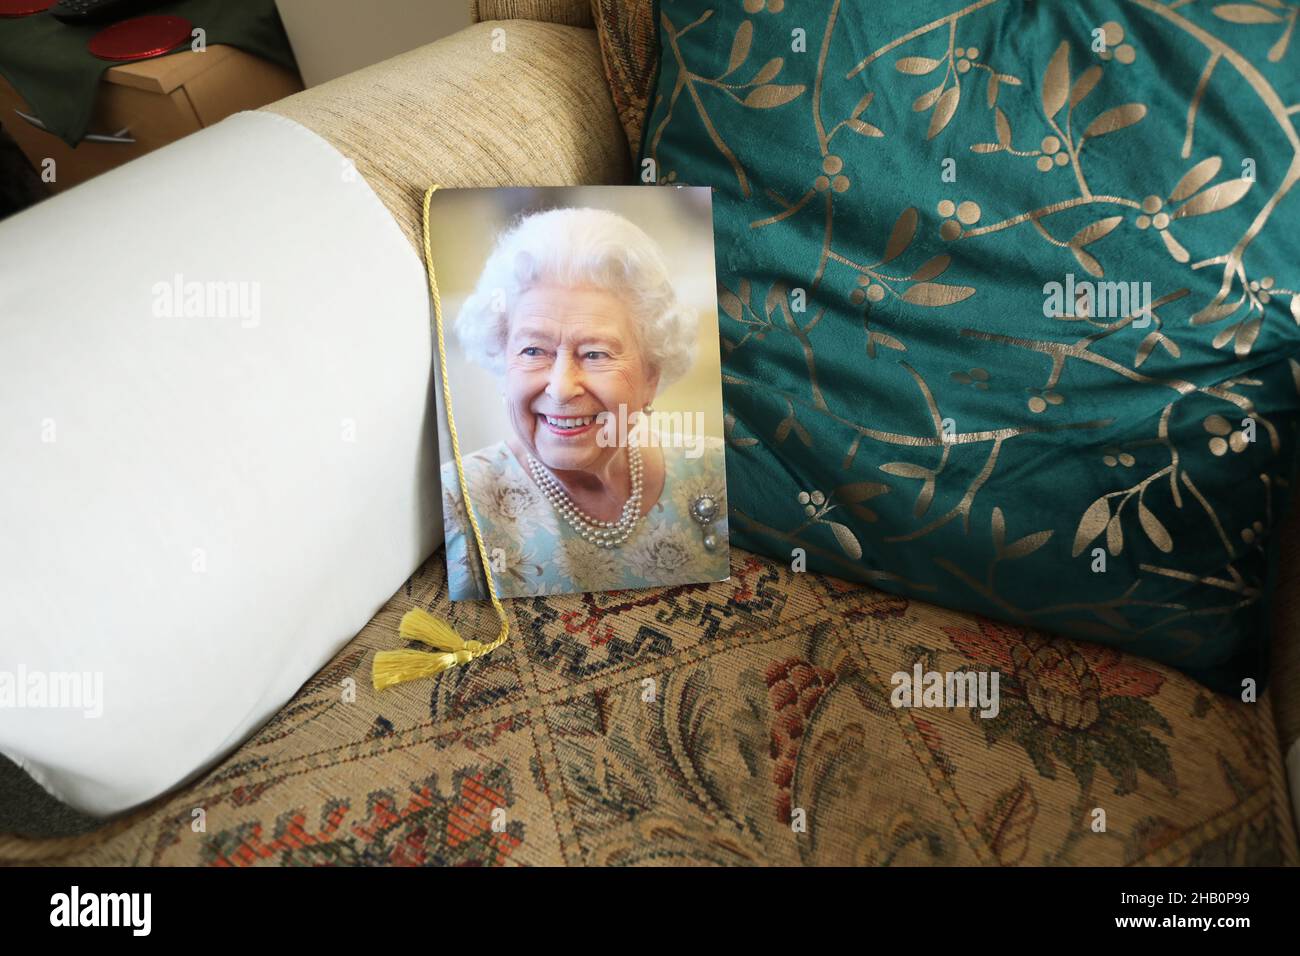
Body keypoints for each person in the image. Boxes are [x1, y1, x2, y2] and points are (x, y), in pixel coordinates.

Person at [441, 207, 729, 599]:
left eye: (595, 354)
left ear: (650, 376)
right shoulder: (457, 502)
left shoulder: (716, 472)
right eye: (532, 350)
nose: (560, 388)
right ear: (501, 361)